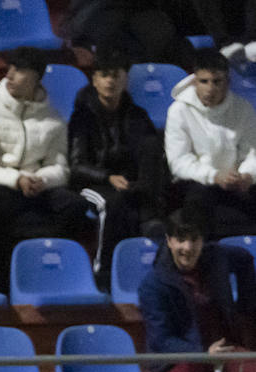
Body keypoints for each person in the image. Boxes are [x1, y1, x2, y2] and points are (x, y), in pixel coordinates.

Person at [0, 46, 92, 282]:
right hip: (3, 184)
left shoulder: (53, 117)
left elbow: (60, 167)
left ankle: (56, 269)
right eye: (10, 69)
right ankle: (5, 275)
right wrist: (17, 180)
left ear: (35, 77)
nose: (9, 75)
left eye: (18, 71)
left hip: (38, 185)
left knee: (75, 205)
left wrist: (41, 180)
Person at [138, 208, 256, 372]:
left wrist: (245, 310)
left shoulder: (217, 256)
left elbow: (246, 259)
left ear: (202, 241)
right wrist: (203, 354)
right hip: (183, 354)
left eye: (194, 240)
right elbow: (162, 341)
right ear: (169, 241)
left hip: (226, 349)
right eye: (180, 240)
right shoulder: (152, 284)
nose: (188, 248)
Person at [68, 48, 168, 277]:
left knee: (152, 153)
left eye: (116, 75)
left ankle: (151, 225)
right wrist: (107, 177)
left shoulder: (137, 115)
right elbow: (76, 166)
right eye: (104, 75)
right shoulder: (82, 117)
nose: (110, 81)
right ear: (94, 80)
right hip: (91, 183)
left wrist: (142, 183)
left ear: (125, 79)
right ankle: (103, 271)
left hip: (127, 182)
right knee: (110, 204)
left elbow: (150, 155)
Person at [165, 48, 256, 240]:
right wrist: (214, 176)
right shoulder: (179, 111)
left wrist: (247, 174)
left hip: (236, 183)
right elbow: (179, 162)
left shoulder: (243, 109)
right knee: (198, 199)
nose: (210, 88)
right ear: (194, 81)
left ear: (228, 82)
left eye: (217, 82)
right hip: (195, 183)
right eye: (204, 81)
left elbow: (251, 152)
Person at [62, 0, 195, 70]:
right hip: (101, 13)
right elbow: (79, 15)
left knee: (161, 32)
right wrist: (77, 42)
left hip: (141, 11)